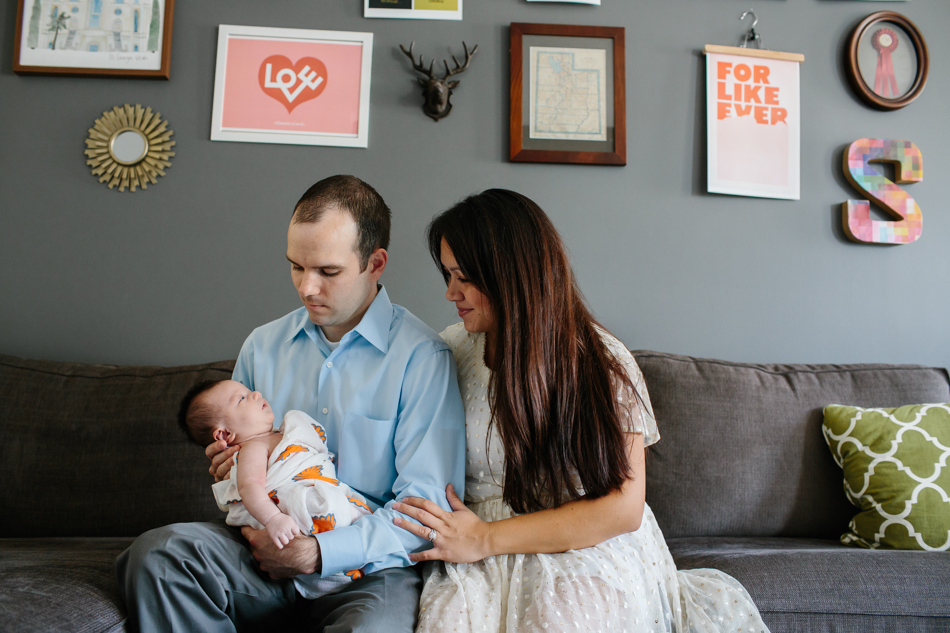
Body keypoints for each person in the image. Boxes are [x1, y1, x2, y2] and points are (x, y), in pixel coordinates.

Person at [391, 189, 770, 632]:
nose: (450, 292)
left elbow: (623, 508)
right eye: (448, 274)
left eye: (463, 277)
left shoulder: (600, 361)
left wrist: (487, 539)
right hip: (472, 546)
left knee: (563, 617)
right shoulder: (450, 350)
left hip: (579, 540)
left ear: (511, 276)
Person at [117, 175, 466, 632]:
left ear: (375, 263)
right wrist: (233, 477)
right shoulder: (262, 346)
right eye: (296, 267)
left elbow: (423, 513)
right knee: (157, 558)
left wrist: (319, 552)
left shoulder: (422, 357)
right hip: (262, 550)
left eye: (327, 271)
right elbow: (236, 472)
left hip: (367, 570)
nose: (306, 288)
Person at [177, 379, 371, 567]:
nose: (256, 393)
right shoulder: (252, 448)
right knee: (328, 509)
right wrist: (273, 518)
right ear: (225, 434)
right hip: (294, 505)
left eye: (249, 391)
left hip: (323, 485)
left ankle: (350, 542)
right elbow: (249, 486)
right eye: (242, 398)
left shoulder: (282, 433)